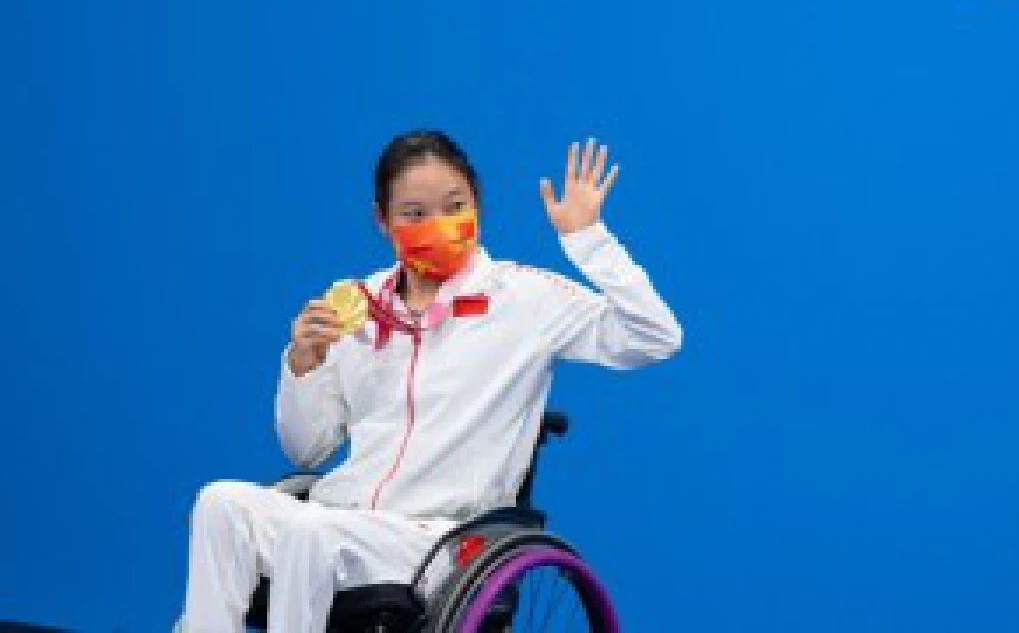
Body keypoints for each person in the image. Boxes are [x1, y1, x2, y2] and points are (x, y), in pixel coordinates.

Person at [176, 130, 683, 632]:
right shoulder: (355, 305)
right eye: (414, 213)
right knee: (221, 503)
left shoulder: (525, 299)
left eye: (453, 205)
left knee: (310, 532)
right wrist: (304, 362)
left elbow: (656, 336)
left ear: (478, 207)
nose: (436, 225)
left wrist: (586, 238)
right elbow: (305, 452)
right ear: (383, 220)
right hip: (342, 516)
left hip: (438, 537)